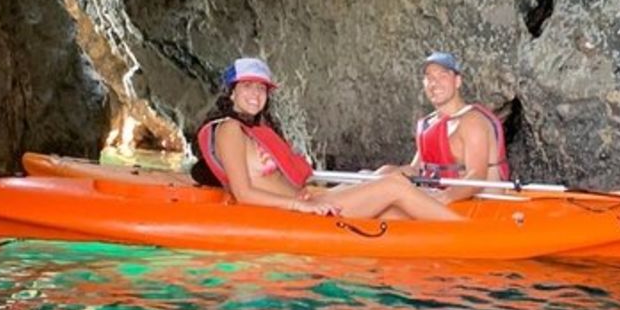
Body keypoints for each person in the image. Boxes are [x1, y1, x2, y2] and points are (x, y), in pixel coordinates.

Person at [190, 57, 459, 220]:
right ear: (231, 93)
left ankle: (458, 224)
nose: (255, 94)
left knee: (384, 182)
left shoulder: (252, 130)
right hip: (302, 213)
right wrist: (299, 206)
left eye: (261, 88)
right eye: (247, 86)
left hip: (310, 201)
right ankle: (467, 233)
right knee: (394, 186)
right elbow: (243, 193)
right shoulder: (228, 129)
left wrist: (306, 201)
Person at [374, 52, 510, 203]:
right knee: (380, 173)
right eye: (429, 78)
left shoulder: (473, 122)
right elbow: (417, 169)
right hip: (441, 201)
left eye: (442, 76)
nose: (434, 83)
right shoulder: (430, 123)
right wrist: (381, 176)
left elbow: (476, 178)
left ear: (457, 81)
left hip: (480, 208)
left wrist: (439, 199)